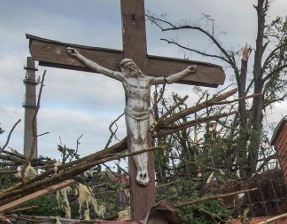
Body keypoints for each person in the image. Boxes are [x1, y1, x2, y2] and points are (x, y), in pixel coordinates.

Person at [66, 47, 196, 186]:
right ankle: (140, 169)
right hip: (131, 112)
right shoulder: (124, 78)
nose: (124, 71)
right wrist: (79, 56)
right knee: (135, 138)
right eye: (123, 69)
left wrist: (186, 71)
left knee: (143, 140)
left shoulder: (148, 80)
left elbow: (168, 79)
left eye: (126, 68)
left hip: (145, 112)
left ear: (132, 67)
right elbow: (99, 68)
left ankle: (144, 170)